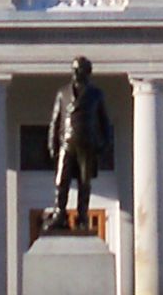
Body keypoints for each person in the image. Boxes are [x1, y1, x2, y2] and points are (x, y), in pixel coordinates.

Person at [48, 56, 113, 230]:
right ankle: (59, 213)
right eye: (74, 69)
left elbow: (104, 121)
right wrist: (52, 143)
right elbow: (56, 120)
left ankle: (82, 216)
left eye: (79, 69)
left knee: (84, 182)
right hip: (67, 143)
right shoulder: (63, 93)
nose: (75, 73)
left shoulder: (96, 94)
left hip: (87, 143)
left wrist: (105, 142)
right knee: (62, 180)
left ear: (87, 72)